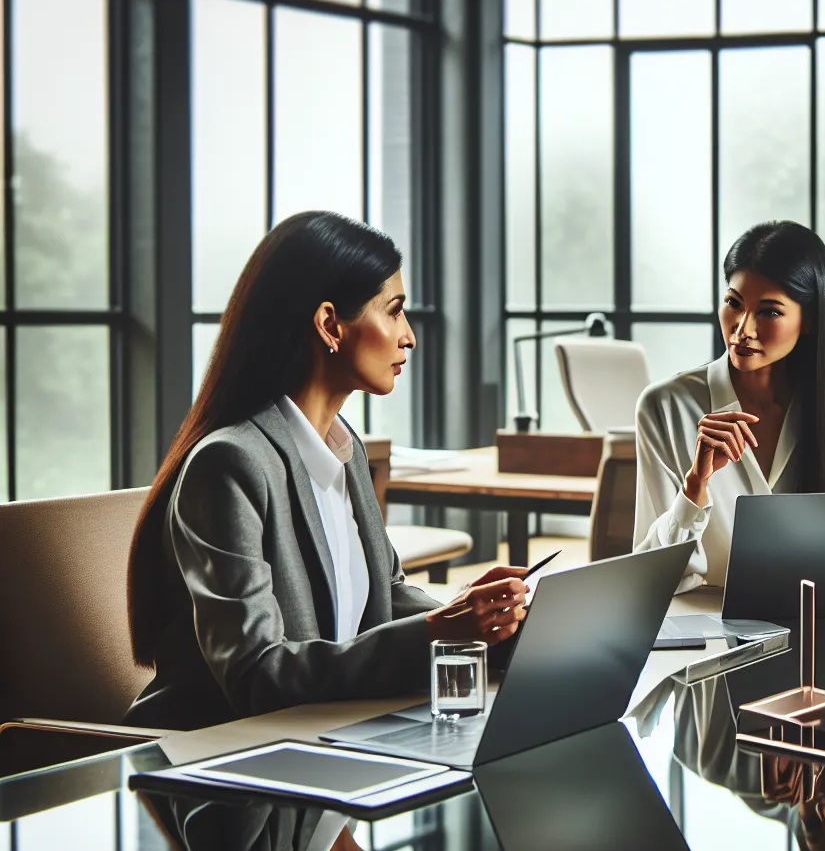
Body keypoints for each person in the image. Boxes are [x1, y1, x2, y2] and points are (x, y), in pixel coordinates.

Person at [125, 212, 531, 730]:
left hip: (326, 738)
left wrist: (482, 623)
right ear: (329, 325)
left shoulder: (345, 450)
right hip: (215, 762)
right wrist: (436, 632)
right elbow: (257, 675)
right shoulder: (229, 464)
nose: (409, 337)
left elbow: (385, 595)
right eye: (395, 311)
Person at [635, 220, 825, 593]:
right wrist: (696, 486)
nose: (742, 329)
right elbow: (651, 580)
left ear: (810, 322)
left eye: (769, 312)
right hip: (711, 632)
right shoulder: (665, 407)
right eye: (733, 304)